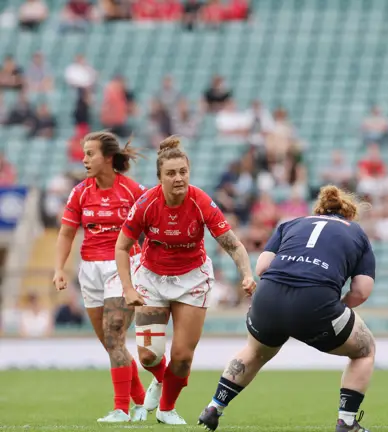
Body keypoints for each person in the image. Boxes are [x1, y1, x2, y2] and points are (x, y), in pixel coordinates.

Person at [196, 185, 376, 432]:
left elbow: (261, 267)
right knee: (364, 350)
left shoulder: (292, 223)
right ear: (348, 214)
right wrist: (337, 308)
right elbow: (362, 290)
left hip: (268, 298)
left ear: (319, 210)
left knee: (256, 351)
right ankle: (346, 422)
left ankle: (214, 407)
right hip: (316, 303)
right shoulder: (356, 232)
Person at [115, 136, 255, 425]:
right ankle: (160, 379)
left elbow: (233, 244)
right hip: (151, 279)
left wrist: (247, 273)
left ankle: (166, 409)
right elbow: (121, 247)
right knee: (148, 357)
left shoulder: (201, 201)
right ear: (159, 177)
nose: (178, 178)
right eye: (171, 173)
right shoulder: (145, 203)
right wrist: (127, 287)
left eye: (183, 172)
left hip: (192, 280)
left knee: (181, 356)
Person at [52, 131, 151, 423]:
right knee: (111, 343)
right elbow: (67, 232)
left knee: (114, 334)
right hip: (90, 269)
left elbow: (152, 225)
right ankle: (143, 403)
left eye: (90, 154)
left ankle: (121, 409)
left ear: (108, 158)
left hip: (122, 266)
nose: (84, 160)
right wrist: (59, 268)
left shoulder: (133, 190)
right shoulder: (80, 191)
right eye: (84, 154)